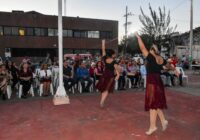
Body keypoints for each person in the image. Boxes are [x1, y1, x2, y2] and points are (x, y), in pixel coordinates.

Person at [135, 32, 168, 135]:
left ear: (151, 50)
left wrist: (138, 37)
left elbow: (142, 47)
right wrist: (172, 70)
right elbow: (168, 67)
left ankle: (153, 126)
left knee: (152, 103)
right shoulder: (161, 58)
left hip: (152, 81)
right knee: (155, 103)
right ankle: (161, 121)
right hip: (158, 81)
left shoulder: (150, 57)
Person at [96, 40, 120, 108]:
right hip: (110, 76)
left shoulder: (105, 58)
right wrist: (118, 74)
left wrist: (103, 43)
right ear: (112, 54)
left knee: (104, 89)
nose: (115, 54)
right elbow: (116, 69)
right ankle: (102, 101)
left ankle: (102, 101)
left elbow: (103, 49)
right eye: (114, 54)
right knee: (107, 89)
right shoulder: (114, 61)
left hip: (104, 74)